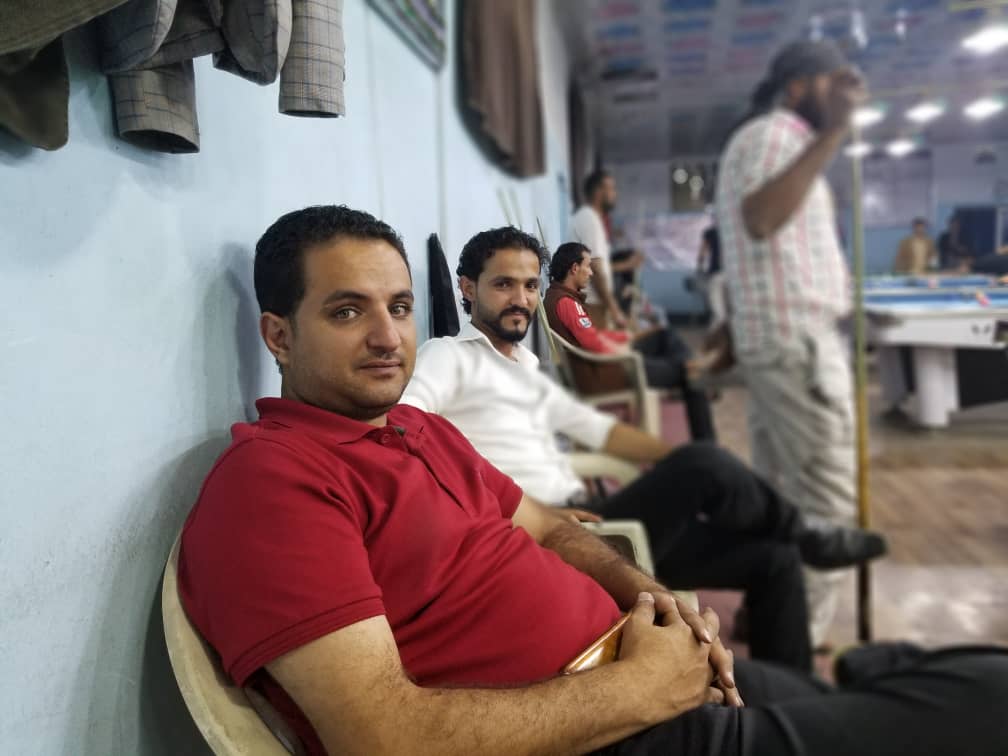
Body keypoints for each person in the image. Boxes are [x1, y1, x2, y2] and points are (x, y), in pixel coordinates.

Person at [178, 204, 1008, 756]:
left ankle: (883, 669)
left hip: (635, 669)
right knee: (986, 702)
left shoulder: (414, 431)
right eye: (347, 311)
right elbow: (381, 737)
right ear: (278, 336)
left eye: (398, 307)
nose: (389, 336)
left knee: (947, 681)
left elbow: (549, 526)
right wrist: (639, 689)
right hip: (603, 733)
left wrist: (658, 602)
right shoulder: (273, 482)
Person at [403, 225, 886, 670]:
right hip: (551, 538)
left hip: (599, 526)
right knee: (704, 463)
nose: (521, 299)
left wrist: (669, 465)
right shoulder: (448, 357)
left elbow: (599, 430)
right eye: (504, 284)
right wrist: (518, 510)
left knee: (774, 558)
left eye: (530, 285)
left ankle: (790, 699)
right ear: (468, 288)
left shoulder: (525, 365)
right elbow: (403, 432)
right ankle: (806, 534)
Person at [714, 40, 867, 647]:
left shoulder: (765, 140)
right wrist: (835, 133)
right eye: (834, 81)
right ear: (799, 86)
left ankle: (770, 617)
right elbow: (760, 219)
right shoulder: (777, 137)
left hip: (783, 341)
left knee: (783, 495)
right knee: (826, 500)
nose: (847, 92)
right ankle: (797, 645)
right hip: (797, 343)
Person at [543, 240, 717, 441]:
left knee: (664, 335)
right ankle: (706, 441)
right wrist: (622, 350)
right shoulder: (567, 304)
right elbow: (593, 344)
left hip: (601, 367)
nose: (591, 273)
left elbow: (592, 337)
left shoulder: (557, 297)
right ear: (574, 268)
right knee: (690, 373)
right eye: (588, 266)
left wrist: (626, 337)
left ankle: (689, 365)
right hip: (608, 372)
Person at [569, 169, 642, 328]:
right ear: (598, 191)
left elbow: (600, 266)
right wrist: (615, 311)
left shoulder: (592, 219)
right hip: (590, 304)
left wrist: (627, 265)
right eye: (611, 188)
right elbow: (595, 269)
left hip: (593, 303)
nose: (615, 194)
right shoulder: (588, 218)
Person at [697, 225, 727, 326]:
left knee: (718, 308)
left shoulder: (711, 232)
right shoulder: (736, 230)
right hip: (734, 274)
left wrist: (699, 268)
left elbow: (702, 252)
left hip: (716, 272)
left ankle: (718, 329)